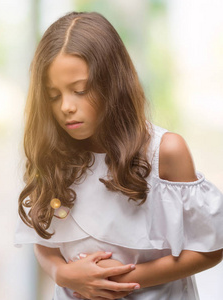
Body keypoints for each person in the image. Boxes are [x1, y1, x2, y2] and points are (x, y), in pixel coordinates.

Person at [14, 11, 223, 300]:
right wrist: (62, 274)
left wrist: (119, 279)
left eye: (80, 90)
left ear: (113, 84)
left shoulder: (165, 152)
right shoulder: (54, 157)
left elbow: (209, 249)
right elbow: (45, 243)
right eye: (54, 95)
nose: (66, 107)